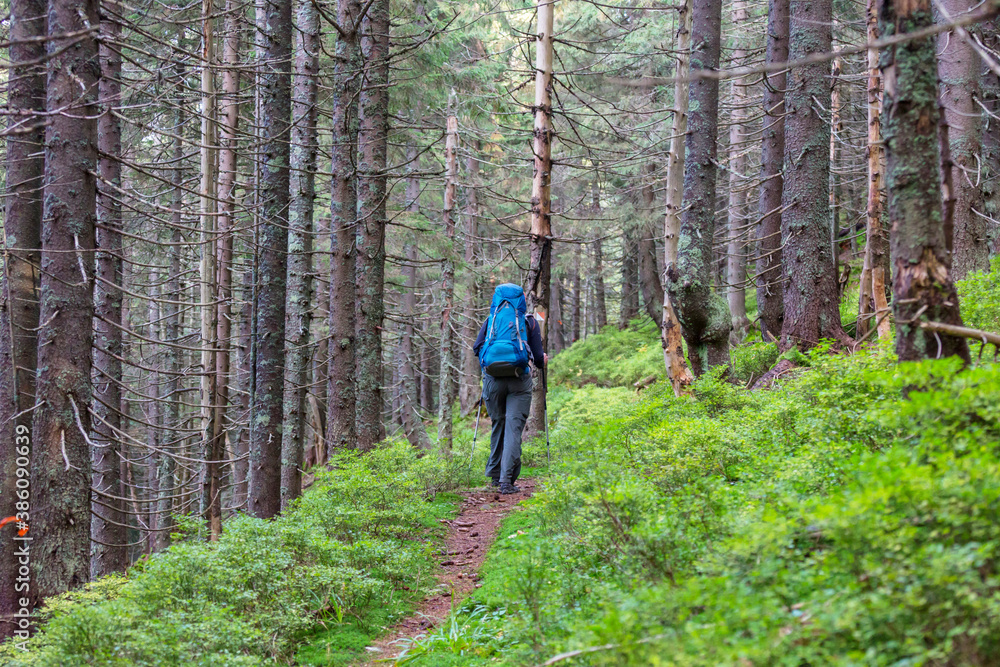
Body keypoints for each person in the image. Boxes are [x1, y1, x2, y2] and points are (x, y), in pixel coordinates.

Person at [472, 283, 545, 495]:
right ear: (521, 300)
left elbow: (477, 349)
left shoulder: (491, 321)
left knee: (498, 424)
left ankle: (494, 476)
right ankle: (506, 481)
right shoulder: (529, 321)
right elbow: (539, 360)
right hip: (519, 380)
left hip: (493, 380)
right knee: (514, 429)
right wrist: (541, 360)